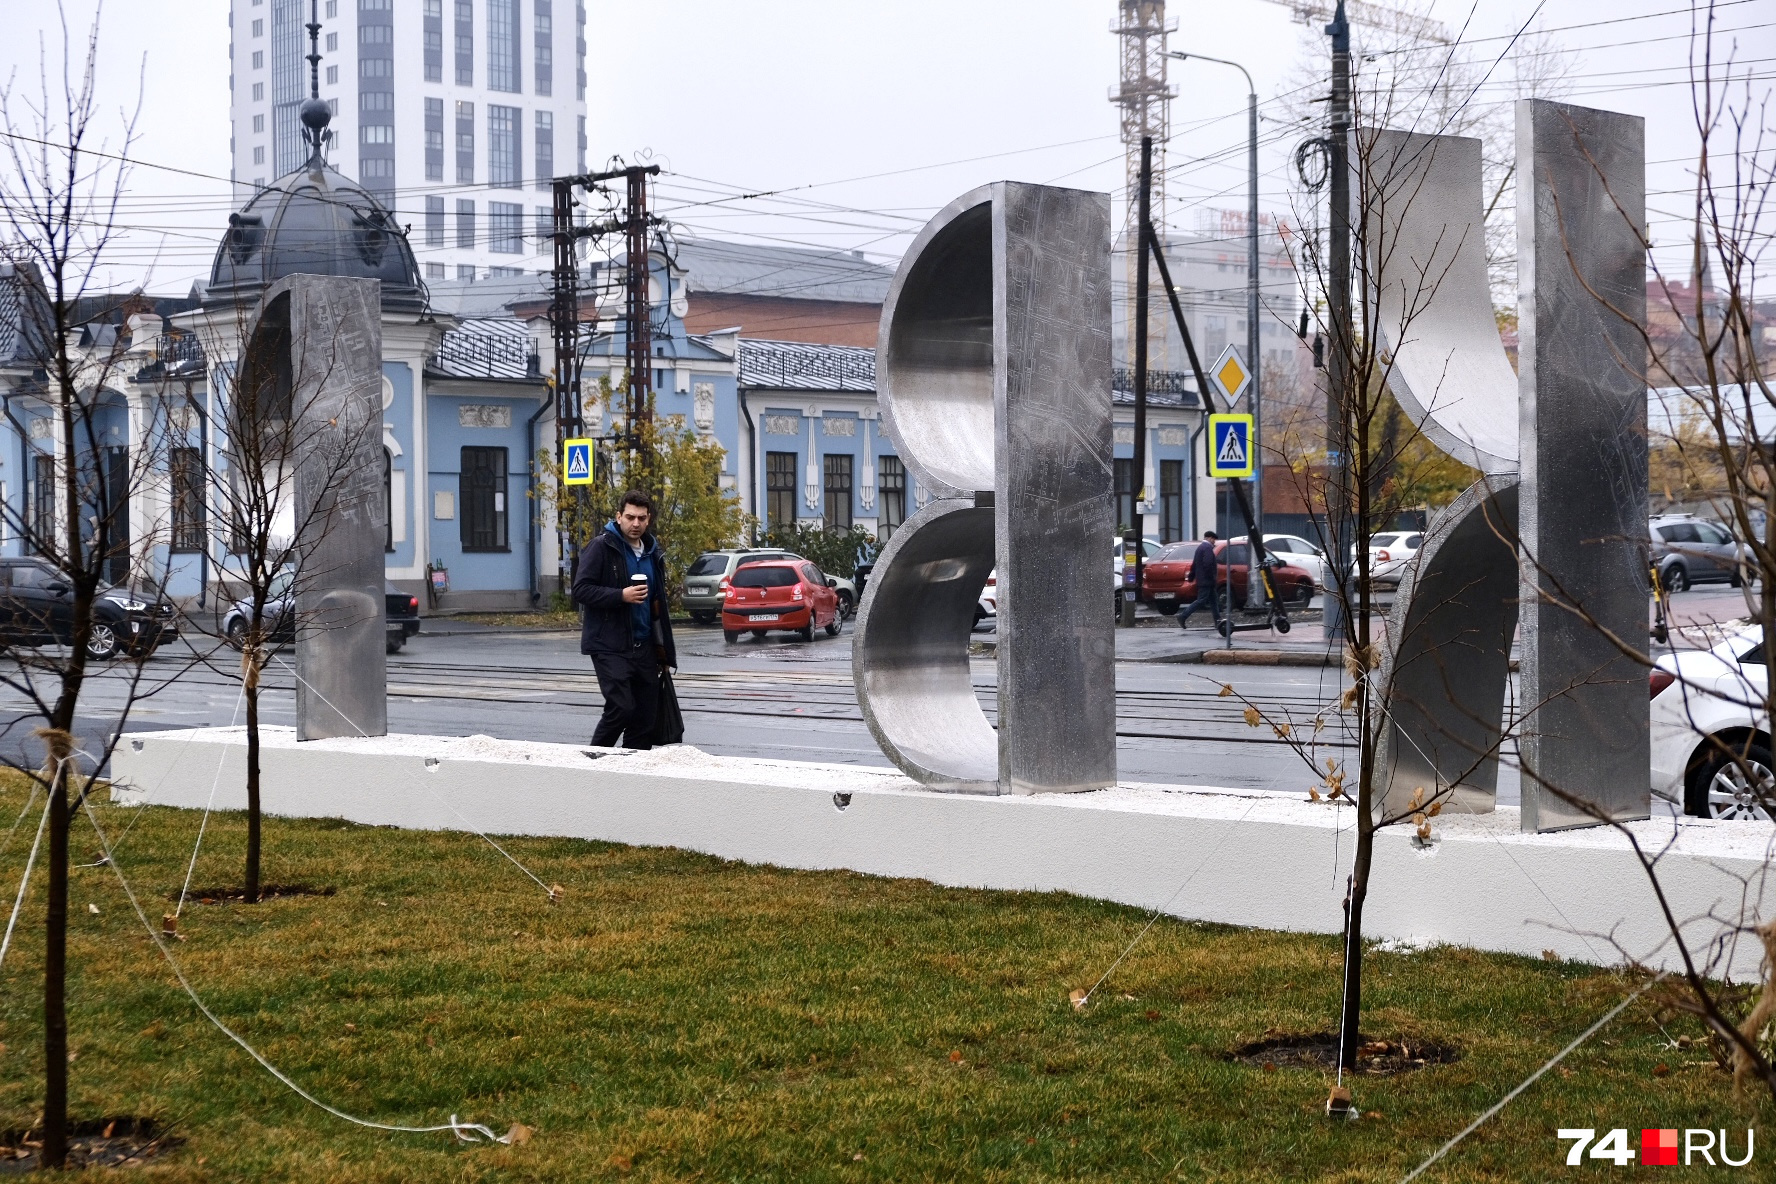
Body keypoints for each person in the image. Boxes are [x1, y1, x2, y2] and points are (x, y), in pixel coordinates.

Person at [573, 489, 677, 748]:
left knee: (644, 719)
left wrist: (663, 652)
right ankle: (594, 761)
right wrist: (621, 595)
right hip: (610, 644)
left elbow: (657, 605)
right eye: (630, 517)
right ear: (619, 516)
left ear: (648, 519)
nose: (636, 524)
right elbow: (581, 589)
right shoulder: (602, 546)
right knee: (621, 707)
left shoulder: (652, 552)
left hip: (644, 647)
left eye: (641, 518)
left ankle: (632, 776)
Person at [1176, 531, 1224, 630]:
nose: (1214, 542)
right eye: (1214, 540)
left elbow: (1195, 564)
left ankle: (1218, 620)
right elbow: (1207, 564)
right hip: (1207, 580)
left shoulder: (1200, 548)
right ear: (1210, 538)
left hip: (1204, 579)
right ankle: (1183, 616)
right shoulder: (1207, 548)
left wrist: (1191, 576)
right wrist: (1212, 577)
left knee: (1214, 601)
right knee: (1201, 600)